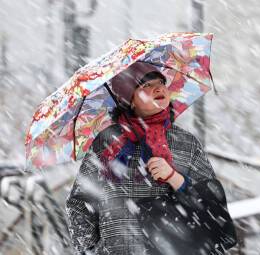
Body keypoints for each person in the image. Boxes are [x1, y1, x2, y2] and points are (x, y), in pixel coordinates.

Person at [65, 62, 219, 254]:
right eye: (145, 85)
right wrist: (89, 251)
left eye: (161, 82)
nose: (158, 88)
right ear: (130, 100)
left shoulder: (185, 143)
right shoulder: (108, 143)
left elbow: (211, 204)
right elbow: (80, 202)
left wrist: (174, 177)